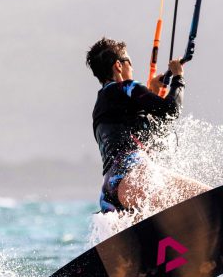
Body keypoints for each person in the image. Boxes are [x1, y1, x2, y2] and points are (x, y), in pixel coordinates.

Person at [86, 37, 209, 214]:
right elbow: (171, 110)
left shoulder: (101, 105)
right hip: (135, 175)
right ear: (118, 66)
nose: (132, 68)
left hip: (111, 192)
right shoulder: (125, 88)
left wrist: (151, 91)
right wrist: (178, 77)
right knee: (208, 201)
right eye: (129, 62)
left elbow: (146, 134)